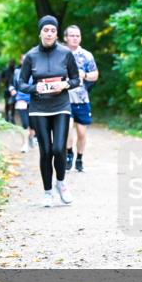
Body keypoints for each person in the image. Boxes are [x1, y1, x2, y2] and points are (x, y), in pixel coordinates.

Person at [19, 16, 81, 206]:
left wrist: (64, 84)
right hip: (39, 108)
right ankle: (47, 192)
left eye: (53, 31)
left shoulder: (65, 53)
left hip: (61, 106)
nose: (49, 34)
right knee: (46, 151)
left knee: (59, 149)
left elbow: (76, 79)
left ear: (56, 34)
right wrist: (34, 88)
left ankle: (61, 184)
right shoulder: (31, 56)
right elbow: (21, 83)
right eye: (46, 30)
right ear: (40, 33)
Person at [62, 25, 99, 172]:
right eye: (72, 35)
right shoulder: (60, 53)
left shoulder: (86, 55)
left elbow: (95, 74)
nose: (75, 38)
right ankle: (69, 154)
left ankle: (79, 158)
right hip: (64, 99)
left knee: (82, 133)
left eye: (77, 35)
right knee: (67, 129)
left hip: (82, 99)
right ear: (65, 38)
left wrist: (85, 75)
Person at [10, 57, 36, 152]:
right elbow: (11, 84)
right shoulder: (17, 72)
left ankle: (31, 137)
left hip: (33, 100)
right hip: (21, 98)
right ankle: (25, 144)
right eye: (23, 60)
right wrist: (12, 89)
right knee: (25, 124)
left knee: (33, 125)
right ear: (21, 61)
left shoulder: (35, 71)